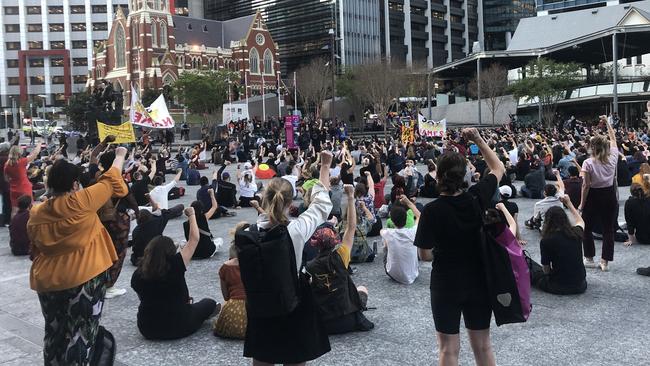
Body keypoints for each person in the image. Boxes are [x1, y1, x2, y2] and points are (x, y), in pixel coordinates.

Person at [28, 147, 128, 365]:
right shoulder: (82, 201)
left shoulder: (36, 213)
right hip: (84, 279)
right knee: (81, 335)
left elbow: (34, 246)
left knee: (53, 334)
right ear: (74, 185)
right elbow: (112, 179)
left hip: (48, 283)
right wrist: (119, 155)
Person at [415, 128, 504, 366]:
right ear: (464, 176)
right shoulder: (476, 198)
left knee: (448, 349)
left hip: (446, 283)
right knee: (483, 346)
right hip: (478, 280)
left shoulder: (431, 211)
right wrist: (477, 139)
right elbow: (498, 168)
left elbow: (424, 254)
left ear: (438, 177)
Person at [242, 151, 333, 366]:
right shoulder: (296, 230)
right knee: (295, 356)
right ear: (290, 201)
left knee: (262, 357)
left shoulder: (248, 233)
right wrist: (324, 167)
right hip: (294, 298)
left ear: (263, 198)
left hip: (260, 302)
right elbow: (322, 205)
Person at [131, 206, 219, 340]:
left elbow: (145, 298)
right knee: (209, 303)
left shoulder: (137, 275)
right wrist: (191, 215)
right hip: (180, 324)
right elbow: (194, 239)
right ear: (170, 252)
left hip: (148, 328)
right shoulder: (175, 263)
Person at [306, 184, 375, 334]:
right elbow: (351, 227)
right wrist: (350, 197)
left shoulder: (311, 266)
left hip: (324, 322)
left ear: (316, 245)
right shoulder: (341, 254)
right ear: (335, 241)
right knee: (362, 289)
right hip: (348, 318)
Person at [580, 120, 618, 272]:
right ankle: (605, 262)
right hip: (609, 194)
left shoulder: (587, 163)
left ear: (592, 148)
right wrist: (608, 124)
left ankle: (589, 258)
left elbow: (586, 185)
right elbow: (613, 138)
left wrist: (582, 204)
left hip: (593, 195)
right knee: (608, 229)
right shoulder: (613, 157)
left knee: (586, 228)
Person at [530, 196, 588, 295]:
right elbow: (581, 221)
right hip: (581, 284)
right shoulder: (576, 233)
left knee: (531, 268)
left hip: (559, 286)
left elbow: (546, 269)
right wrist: (569, 203)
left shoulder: (546, 240)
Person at [213, 223, 249, 339]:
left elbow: (226, 297)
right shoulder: (258, 264)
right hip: (253, 311)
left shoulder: (226, 267)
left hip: (231, 313)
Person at [381, 197, 420, 285]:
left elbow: (382, 231)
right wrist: (409, 203)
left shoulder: (388, 233)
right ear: (406, 218)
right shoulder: (413, 231)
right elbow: (420, 216)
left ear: (392, 221)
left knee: (385, 244)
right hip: (413, 273)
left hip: (393, 274)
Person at [4, 143, 41, 218]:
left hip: (14, 190)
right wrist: (39, 144)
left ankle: (13, 226)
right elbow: (35, 153)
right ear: (19, 153)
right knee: (29, 208)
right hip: (24, 188)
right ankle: (28, 225)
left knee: (14, 210)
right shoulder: (22, 162)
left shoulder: (7, 165)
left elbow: (6, 179)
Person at [183, 193, 223, 259]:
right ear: (201, 210)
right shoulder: (204, 217)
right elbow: (214, 207)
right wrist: (212, 195)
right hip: (207, 252)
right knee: (220, 240)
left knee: (183, 242)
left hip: (192, 253)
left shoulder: (185, 224)